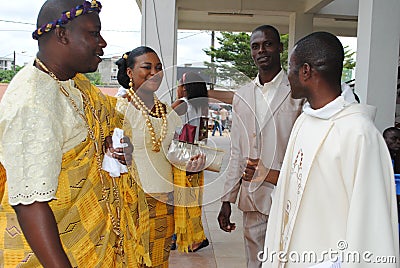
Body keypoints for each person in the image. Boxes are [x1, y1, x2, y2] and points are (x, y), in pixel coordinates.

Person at [0, 1, 150, 267]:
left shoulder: (74, 85)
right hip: (52, 256)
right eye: (94, 33)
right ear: (62, 35)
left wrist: (114, 144)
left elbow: (110, 126)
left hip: (95, 246)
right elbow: (30, 203)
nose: (102, 42)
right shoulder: (34, 101)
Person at [262, 32, 399, 267]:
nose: (288, 78)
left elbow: (370, 223)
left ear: (306, 71)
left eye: (291, 69)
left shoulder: (359, 133)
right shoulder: (304, 122)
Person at [217, 25, 304, 268]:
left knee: (288, 260)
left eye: (268, 44)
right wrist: (227, 199)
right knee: (256, 261)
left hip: (288, 195)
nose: (261, 50)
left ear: (280, 47)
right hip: (254, 195)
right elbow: (237, 151)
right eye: (255, 46)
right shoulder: (242, 94)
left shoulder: (298, 91)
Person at [115, 47, 205, 265]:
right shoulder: (119, 108)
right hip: (132, 200)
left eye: (158, 68)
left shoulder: (165, 110)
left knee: (159, 260)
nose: (154, 73)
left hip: (166, 200)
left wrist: (190, 164)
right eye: (147, 67)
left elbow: (170, 153)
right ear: (129, 72)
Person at [171, 72, 210, 252]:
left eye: (179, 84)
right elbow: (203, 136)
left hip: (182, 159)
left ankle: (184, 237)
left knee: (179, 200)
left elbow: (159, 119)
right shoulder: (202, 107)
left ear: (185, 87)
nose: (177, 89)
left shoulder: (182, 105)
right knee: (193, 200)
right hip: (197, 158)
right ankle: (196, 237)